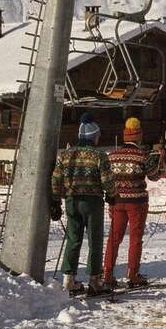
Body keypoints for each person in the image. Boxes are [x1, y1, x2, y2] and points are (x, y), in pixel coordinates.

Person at [51, 113, 116, 295]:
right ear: (94, 136)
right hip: (92, 202)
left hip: (72, 201)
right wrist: (112, 195)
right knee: (94, 240)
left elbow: (56, 178)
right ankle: (95, 280)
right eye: (98, 136)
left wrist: (55, 201)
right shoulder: (99, 155)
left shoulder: (66, 155)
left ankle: (69, 279)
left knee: (74, 239)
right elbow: (107, 180)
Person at [103, 117, 166, 289]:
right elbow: (154, 175)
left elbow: (107, 179)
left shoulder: (112, 156)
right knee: (135, 238)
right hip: (136, 202)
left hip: (116, 201)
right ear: (139, 137)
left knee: (113, 239)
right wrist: (160, 160)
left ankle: (108, 275)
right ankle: (132, 274)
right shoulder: (143, 155)